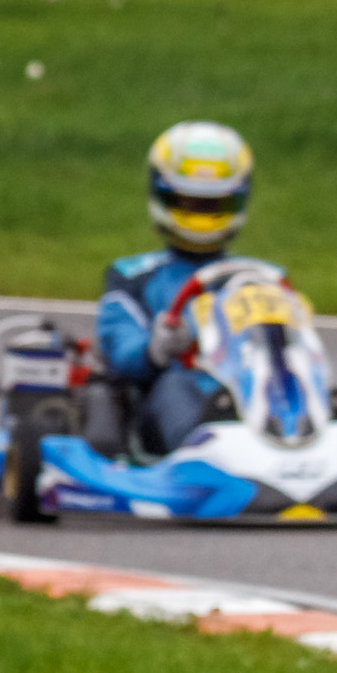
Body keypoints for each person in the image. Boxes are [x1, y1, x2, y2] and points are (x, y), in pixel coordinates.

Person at [94, 121, 272, 454]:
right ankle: (206, 450)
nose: (201, 213)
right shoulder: (131, 276)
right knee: (176, 386)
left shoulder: (264, 278)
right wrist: (154, 349)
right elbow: (120, 346)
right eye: (190, 202)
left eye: (213, 204)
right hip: (171, 399)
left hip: (253, 391)